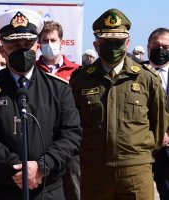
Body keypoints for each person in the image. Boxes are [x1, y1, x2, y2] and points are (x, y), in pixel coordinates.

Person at [0, 9, 82, 200]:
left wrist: (42, 167)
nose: (23, 50)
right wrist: (17, 169)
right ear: (3, 49)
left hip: (48, 190)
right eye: (14, 44)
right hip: (0, 190)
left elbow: (71, 135)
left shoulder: (59, 88)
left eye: (28, 44)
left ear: (37, 46)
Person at [70, 9, 169, 200]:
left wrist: (139, 152)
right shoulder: (81, 80)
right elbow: (74, 124)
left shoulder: (147, 78)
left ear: (127, 43)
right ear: (96, 44)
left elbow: (159, 124)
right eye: (107, 42)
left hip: (136, 171)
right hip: (94, 171)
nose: (113, 47)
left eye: (118, 42)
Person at [36, 20, 80, 200]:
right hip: (41, 143)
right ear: (38, 44)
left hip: (68, 145)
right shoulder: (33, 71)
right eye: (45, 41)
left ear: (62, 41)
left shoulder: (77, 72)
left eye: (53, 40)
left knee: (74, 190)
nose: (49, 45)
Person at [146, 28, 169, 200]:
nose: (160, 50)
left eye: (166, 47)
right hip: (142, 146)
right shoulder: (136, 72)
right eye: (156, 45)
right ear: (148, 47)